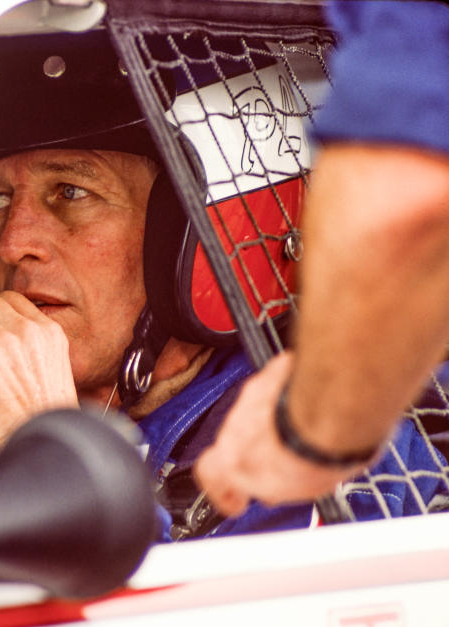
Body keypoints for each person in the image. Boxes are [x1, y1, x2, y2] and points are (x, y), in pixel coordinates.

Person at [0, 25, 449, 569]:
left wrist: (51, 455)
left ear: (195, 236)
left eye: (70, 192)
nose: (12, 243)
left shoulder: (317, 441)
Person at [195, 0, 449, 516]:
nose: (13, 242)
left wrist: (314, 438)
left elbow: (403, 196)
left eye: (71, 194)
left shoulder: (376, 414)